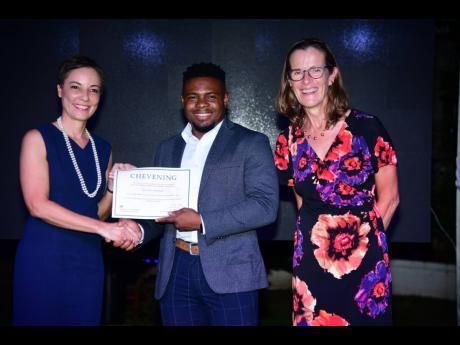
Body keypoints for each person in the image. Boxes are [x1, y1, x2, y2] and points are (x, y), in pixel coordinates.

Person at [121, 62, 279, 326]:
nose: (201, 104)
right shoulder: (167, 148)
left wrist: (202, 221)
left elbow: (265, 206)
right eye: (193, 97)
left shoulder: (251, 142)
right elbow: (160, 214)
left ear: (225, 99)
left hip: (232, 273)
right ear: (183, 100)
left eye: (211, 96)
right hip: (176, 271)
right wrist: (137, 231)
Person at [273, 38, 399, 326]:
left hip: (364, 266)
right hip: (311, 267)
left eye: (315, 70)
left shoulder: (368, 127)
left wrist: (363, 252)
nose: (306, 80)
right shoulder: (287, 141)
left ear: (332, 76)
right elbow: (303, 204)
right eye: (297, 73)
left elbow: (390, 199)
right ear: (289, 82)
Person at [12, 55, 141, 326]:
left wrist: (114, 190)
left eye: (93, 90)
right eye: (75, 87)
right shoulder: (37, 138)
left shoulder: (102, 148)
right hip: (44, 259)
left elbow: (96, 212)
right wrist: (103, 229)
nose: (85, 96)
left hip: (88, 261)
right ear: (60, 90)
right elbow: (37, 205)